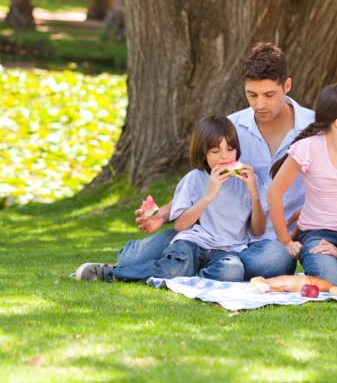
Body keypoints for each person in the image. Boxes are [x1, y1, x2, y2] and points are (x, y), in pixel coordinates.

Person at [75, 42, 313, 281]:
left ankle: (186, 267)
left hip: (266, 243)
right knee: (132, 259)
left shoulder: (314, 130)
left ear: (287, 85)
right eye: (252, 95)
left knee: (274, 262)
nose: (260, 104)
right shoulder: (230, 129)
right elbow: (199, 182)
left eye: (269, 95)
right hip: (209, 232)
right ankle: (175, 264)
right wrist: (162, 214)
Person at [77, 116, 265, 282]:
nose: (224, 156)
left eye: (230, 149)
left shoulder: (247, 181)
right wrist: (209, 195)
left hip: (227, 250)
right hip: (193, 243)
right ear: (203, 154)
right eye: (215, 151)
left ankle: (183, 278)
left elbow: (258, 230)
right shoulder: (194, 179)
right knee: (175, 267)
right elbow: (180, 226)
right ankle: (110, 273)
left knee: (232, 272)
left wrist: (254, 194)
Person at [266, 84, 337, 287]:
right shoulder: (307, 148)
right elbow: (274, 192)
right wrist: (286, 240)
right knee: (328, 280)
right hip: (316, 233)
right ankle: (334, 266)